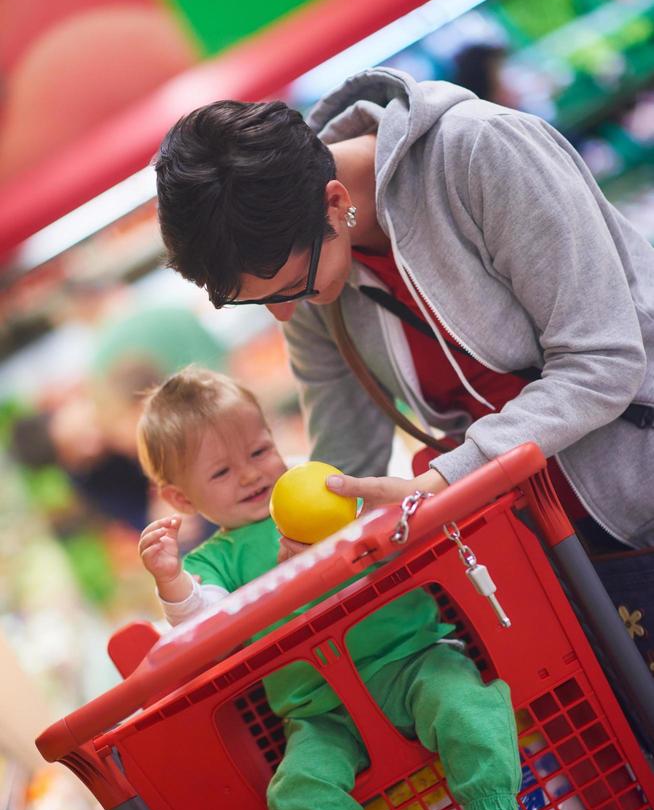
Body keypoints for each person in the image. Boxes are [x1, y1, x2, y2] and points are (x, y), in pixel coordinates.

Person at [154, 68, 654, 660]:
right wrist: (305, 544)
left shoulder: (480, 153)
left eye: (293, 289)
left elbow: (602, 358)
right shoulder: (309, 261)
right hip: (559, 552)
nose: (288, 318)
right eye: (262, 303)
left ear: (335, 202)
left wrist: (440, 481)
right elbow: (344, 461)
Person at [136, 365, 546, 810]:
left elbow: (392, 524)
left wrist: (351, 529)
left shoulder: (323, 490)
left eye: (259, 449)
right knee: (295, 791)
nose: (251, 473)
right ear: (179, 498)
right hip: (319, 711)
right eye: (222, 471)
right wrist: (172, 580)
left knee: (469, 704)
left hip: (413, 658)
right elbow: (204, 622)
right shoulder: (218, 559)